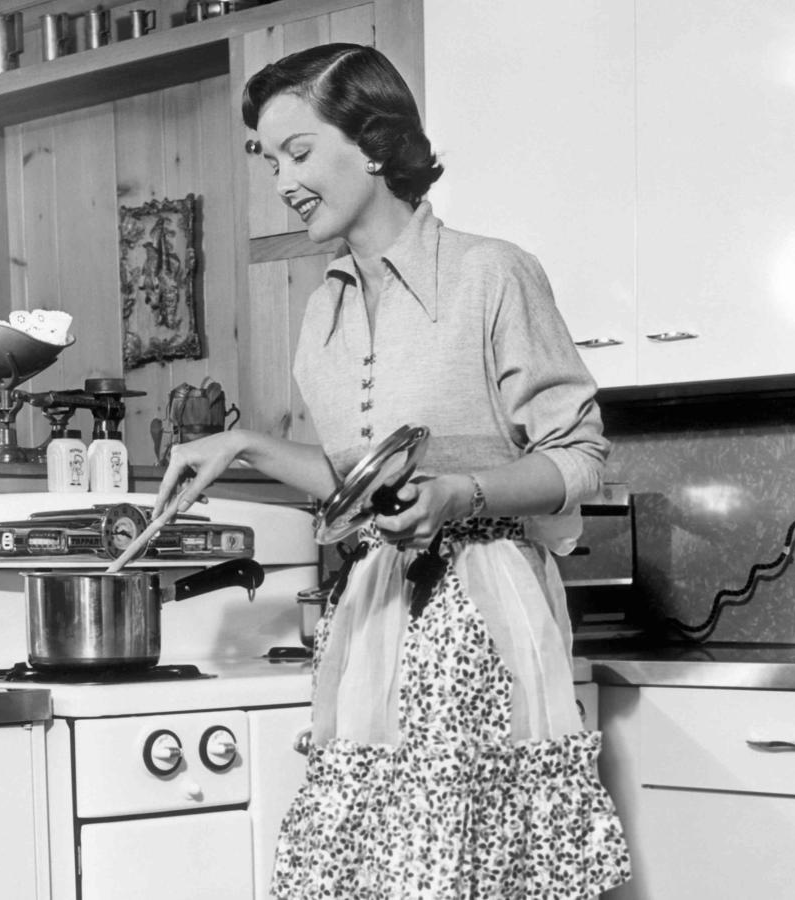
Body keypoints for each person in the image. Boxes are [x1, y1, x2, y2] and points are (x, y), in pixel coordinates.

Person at [153, 43, 631, 898]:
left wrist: (461, 495)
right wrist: (246, 447)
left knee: (464, 867)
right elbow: (359, 475)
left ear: (373, 144)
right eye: (271, 161)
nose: (283, 181)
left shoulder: (492, 273)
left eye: (298, 152)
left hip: (482, 617)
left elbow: (582, 456)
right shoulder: (323, 312)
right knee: (371, 868)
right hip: (375, 614)